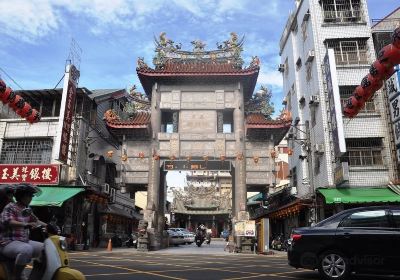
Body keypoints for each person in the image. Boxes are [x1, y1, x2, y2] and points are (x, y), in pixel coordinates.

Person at [0, 183, 46, 280]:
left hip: (24, 241)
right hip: (8, 242)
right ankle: (16, 276)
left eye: (31, 196)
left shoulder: (27, 209)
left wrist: (49, 226)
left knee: (46, 248)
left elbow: (36, 221)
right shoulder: (10, 207)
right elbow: (8, 221)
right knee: (26, 249)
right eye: (29, 195)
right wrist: (25, 224)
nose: (31, 198)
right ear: (21, 196)